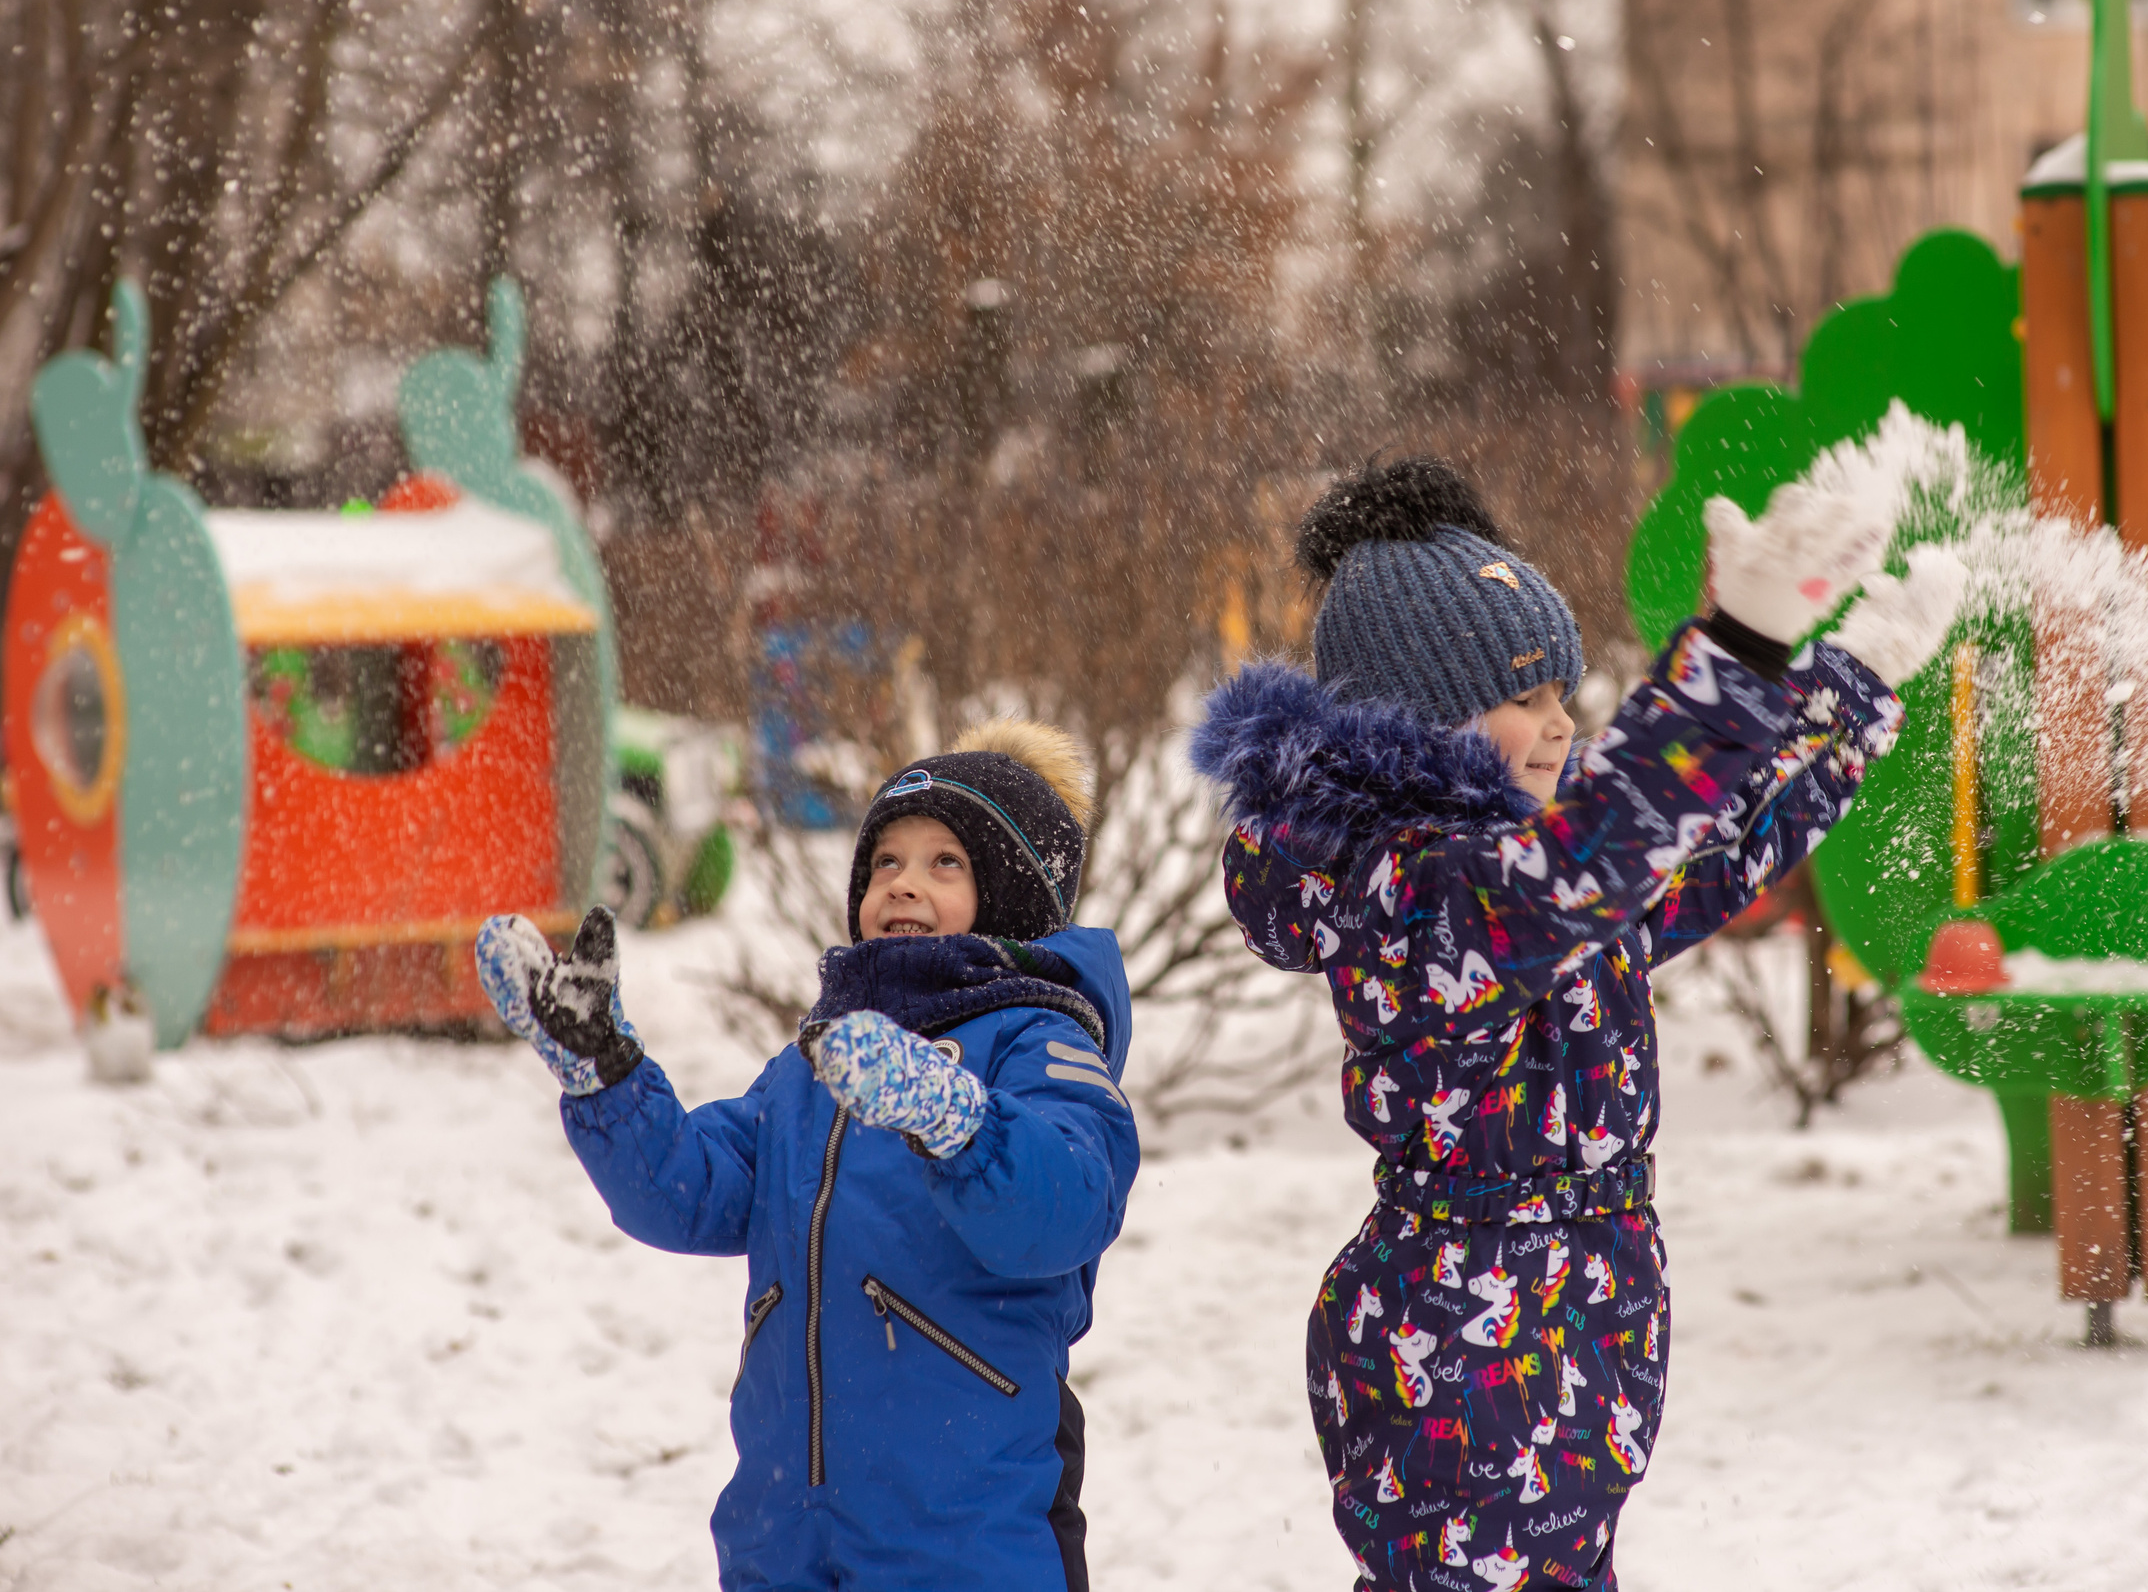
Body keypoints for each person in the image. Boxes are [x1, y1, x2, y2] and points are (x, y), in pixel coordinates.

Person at [1190, 455, 1963, 1590]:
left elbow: (1705, 840)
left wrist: (1853, 685)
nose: (1560, 727)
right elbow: (1603, 844)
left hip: (1573, 1330)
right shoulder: (1427, 896)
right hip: (1462, 1360)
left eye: (1562, 693)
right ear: (1425, 723)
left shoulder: (1540, 874)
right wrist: (1735, 657)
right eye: (1524, 700)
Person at [476, 718, 1138, 1592]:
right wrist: (605, 1072)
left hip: (966, 1537)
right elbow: (688, 1189)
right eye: (885, 863)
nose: (903, 883)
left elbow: (1066, 1203)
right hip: (786, 1535)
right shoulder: (813, 1068)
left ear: (1012, 896)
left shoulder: (1037, 1042)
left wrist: (955, 1116)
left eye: (946, 862)